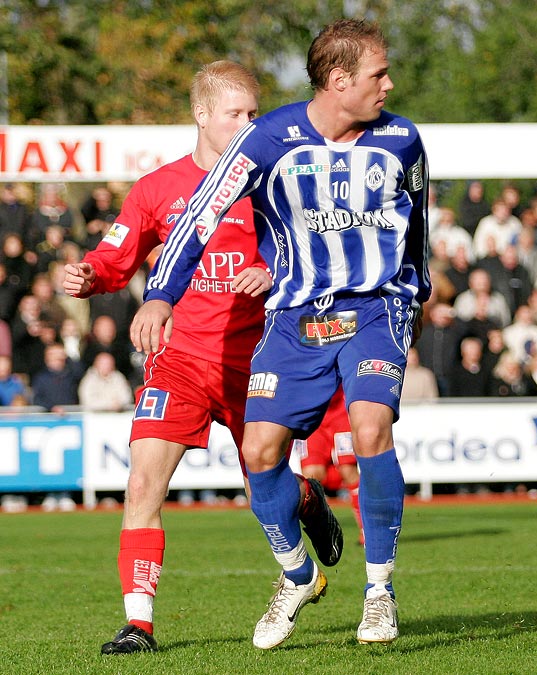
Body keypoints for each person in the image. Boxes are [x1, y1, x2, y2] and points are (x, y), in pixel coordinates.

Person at [129, 19, 430, 648]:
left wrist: (416, 295)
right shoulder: (268, 139)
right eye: (378, 73)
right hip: (297, 317)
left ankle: (380, 591)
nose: (389, 84)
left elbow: (417, 226)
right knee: (262, 453)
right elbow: (200, 219)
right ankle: (295, 574)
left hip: (375, 307)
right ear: (340, 80)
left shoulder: (402, 139)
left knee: (371, 426)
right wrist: (160, 295)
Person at [63, 60, 344, 655]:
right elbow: (119, 255)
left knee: (264, 489)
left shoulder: (275, 186)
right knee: (143, 482)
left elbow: (319, 256)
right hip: (182, 359)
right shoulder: (158, 188)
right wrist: (90, 275)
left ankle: (306, 498)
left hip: (260, 359)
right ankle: (138, 624)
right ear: (200, 115)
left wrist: (271, 271)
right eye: (234, 114)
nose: (248, 124)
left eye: (254, 113)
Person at [296, 388, 365, 545]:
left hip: (340, 411)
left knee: (348, 470)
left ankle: (366, 530)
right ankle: (322, 531)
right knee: (312, 475)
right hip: (310, 412)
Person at [31, 342, 83, 412]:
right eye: (53, 354)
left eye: (60, 354)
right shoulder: (41, 377)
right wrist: (52, 408)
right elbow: (37, 399)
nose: (58, 357)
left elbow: (80, 371)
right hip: (49, 417)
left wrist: (68, 357)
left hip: (71, 415)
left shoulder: (71, 375)